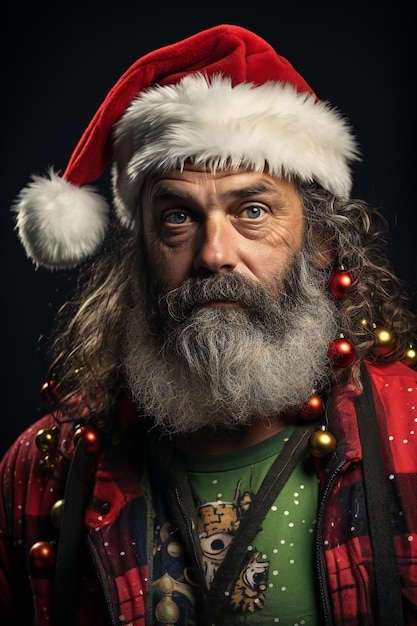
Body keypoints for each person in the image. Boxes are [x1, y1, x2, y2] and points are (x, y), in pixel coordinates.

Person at [0, 23, 416, 626]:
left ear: (321, 243)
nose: (214, 253)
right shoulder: (42, 472)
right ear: (138, 255)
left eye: (252, 210)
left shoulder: (410, 427)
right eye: (177, 216)